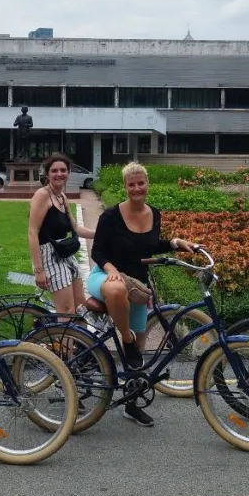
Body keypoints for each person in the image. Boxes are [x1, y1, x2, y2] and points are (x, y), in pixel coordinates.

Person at [88, 162, 199, 427]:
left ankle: (131, 404)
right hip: (106, 277)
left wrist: (174, 243)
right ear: (125, 187)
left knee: (136, 358)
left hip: (136, 285)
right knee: (117, 291)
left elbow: (150, 245)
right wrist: (112, 270)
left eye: (141, 183)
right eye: (131, 184)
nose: (137, 188)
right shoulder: (111, 216)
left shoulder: (155, 214)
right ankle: (124, 339)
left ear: (146, 184)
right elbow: (98, 252)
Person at [28, 153, 96, 315]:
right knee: (66, 311)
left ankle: (80, 341)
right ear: (47, 174)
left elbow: (76, 228)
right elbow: (32, 232)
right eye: (54, 171)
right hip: (48, 256)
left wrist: (102, 233)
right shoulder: (42, 195)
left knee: (81, 308)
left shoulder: (62, 197)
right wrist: (39, 270)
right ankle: (65, 340)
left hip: (64, 253)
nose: (59, 174)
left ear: (69, 172)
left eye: (63, 170)